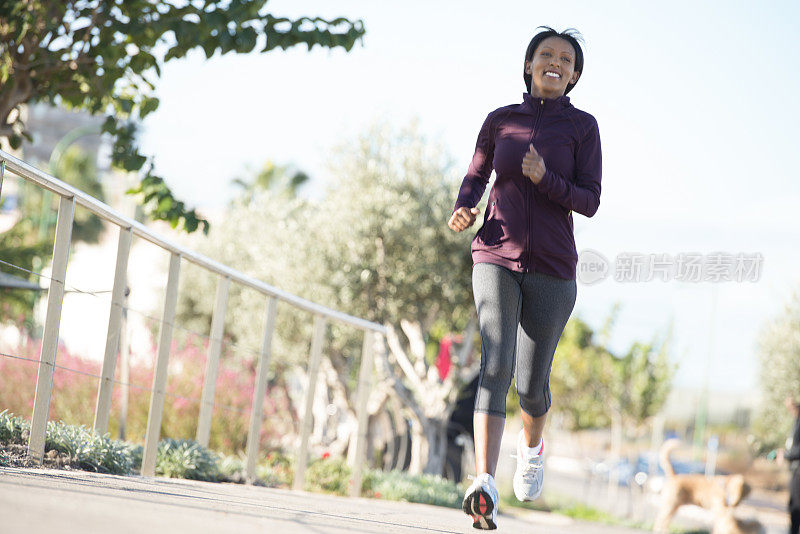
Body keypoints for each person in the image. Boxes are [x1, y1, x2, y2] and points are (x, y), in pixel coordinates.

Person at [449, 26, 602, 530]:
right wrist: (465, 206)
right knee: (495, 364)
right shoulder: (501, 122)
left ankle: (532, 446)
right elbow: (476, 175)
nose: (554, 63)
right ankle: (485, 482)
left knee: (530, 385)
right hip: (495, 254)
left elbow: (590, 200)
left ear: (574, 74)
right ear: (529, 64)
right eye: (545, 55)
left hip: (554, 270)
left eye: (565, 59)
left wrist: (546, 179)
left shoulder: (583, 128)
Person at [786, 396, 800, 534]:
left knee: (796, 508)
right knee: (793, 507)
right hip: (795, 470)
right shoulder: (796, 420)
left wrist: (786, 454)